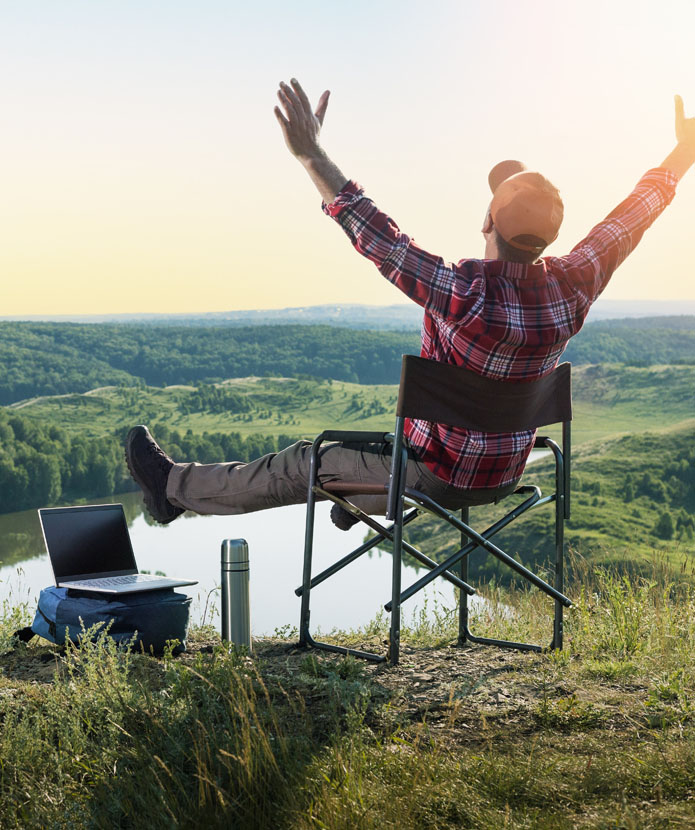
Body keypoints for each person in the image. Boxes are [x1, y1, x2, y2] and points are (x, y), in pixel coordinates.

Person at [126, 81, 695, 528]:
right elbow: (632, 215)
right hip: (504, 476)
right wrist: (683, 153)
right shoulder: (574, 284)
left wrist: (310, 154)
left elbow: (375, 233)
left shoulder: (463, 294)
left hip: (433, 478)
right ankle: (362, 503)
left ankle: (173, 490)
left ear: (487, 221)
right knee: (389, 441)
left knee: (306, 460)